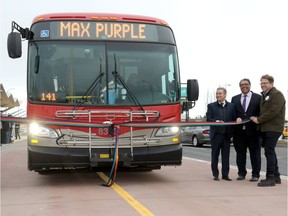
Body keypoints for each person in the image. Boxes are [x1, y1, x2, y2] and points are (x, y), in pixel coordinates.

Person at [250, 74, 286, 187]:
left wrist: (258, 120)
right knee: (270, 151)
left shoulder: (277, 94)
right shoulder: (265, 95)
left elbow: (273, 111)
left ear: (271, 83)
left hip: (274, 128)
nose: (263, 85)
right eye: (261, 83)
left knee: (268, 151)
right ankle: (276, 176)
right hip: (266, 128)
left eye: (265, 82)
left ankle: (270, 178)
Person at [231, 78, 261, 182]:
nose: (244, 86)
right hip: (239, 132)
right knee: (240, 154)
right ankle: (241, 173)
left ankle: (255, 174)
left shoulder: (258, 98)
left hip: (254, 131)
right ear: (240, 87)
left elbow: (261, 113)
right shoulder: (234, 99)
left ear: (250, 85)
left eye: (246, 84)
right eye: (242, 85)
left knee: (255, 154)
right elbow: (232, 113)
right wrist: (236, 118)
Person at [206, 87, 236, 181]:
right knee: (215, 155)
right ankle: (215, 174)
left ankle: (225, 175)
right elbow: (209, 119)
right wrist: (216, 121)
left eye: (220, 93)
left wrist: (238, 119)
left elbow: (234, 118)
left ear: (225, 95)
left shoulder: (231, 106)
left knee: (226, 156)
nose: (218, 95)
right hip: (216, 135)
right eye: (217, 93)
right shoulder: (211, 106)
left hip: (227, 135)